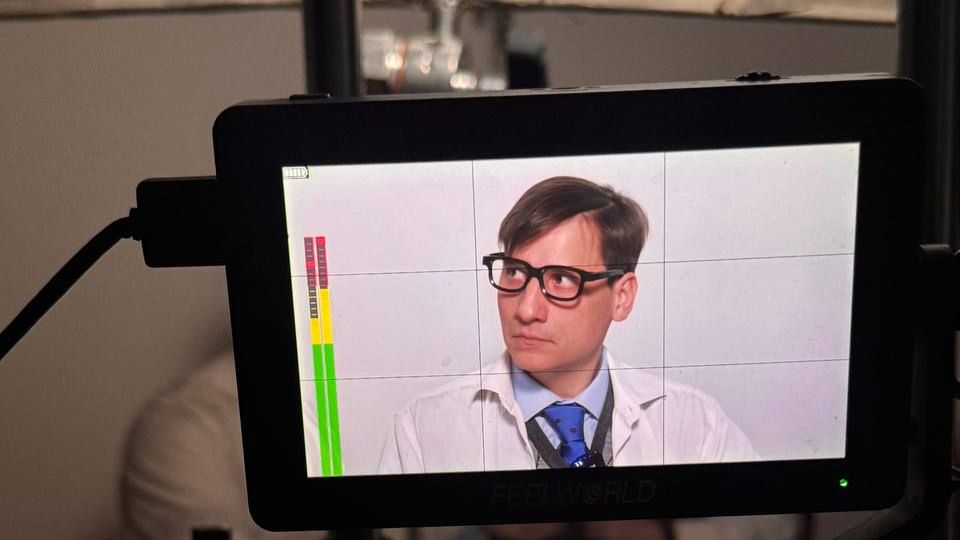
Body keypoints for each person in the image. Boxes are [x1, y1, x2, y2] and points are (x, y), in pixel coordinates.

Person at [378, 176, 756, 473]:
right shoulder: (424, 428)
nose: (526, 309)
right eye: (514, 272)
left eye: (561, 279)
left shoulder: (695, 423)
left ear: (622, 297)